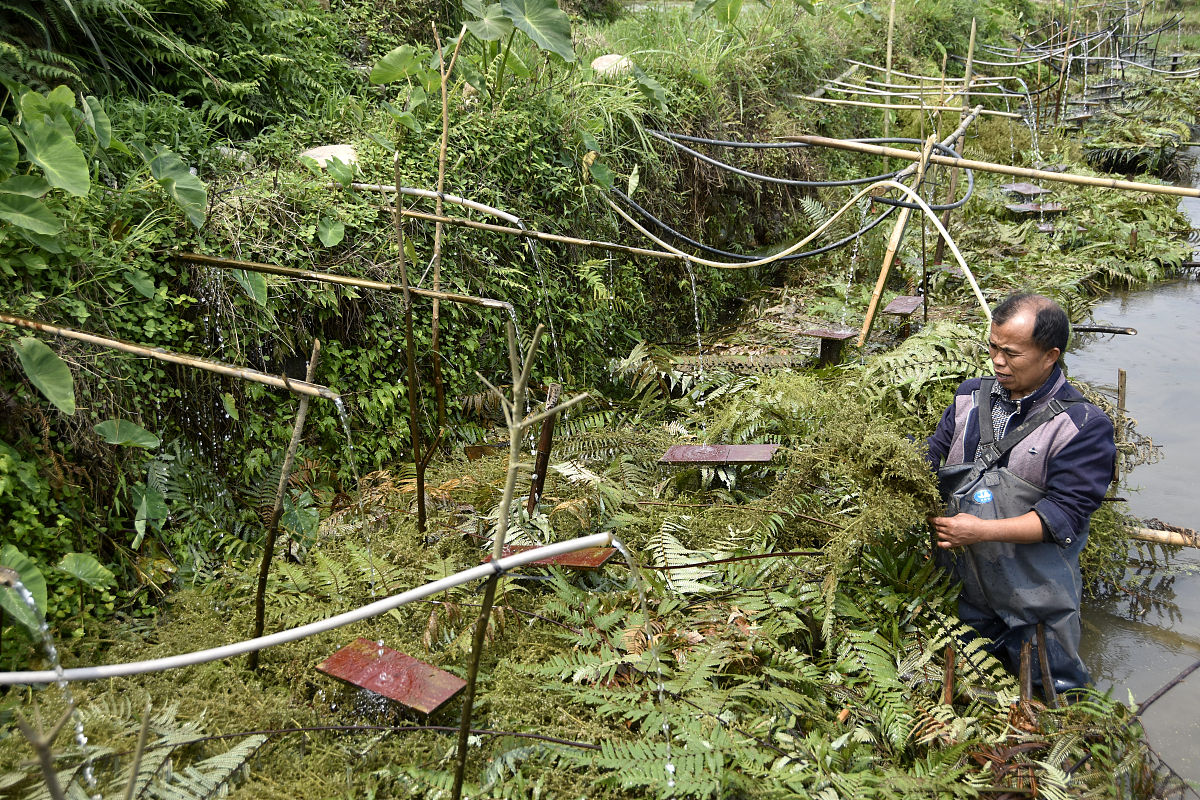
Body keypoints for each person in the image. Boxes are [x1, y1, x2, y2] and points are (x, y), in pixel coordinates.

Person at [925, 293, 1116, 695]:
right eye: (993, 347)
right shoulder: (968, 397)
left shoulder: (1081, 426)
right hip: (966, 592)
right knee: (967, 695)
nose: (997, 361)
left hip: (1036, 603)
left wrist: (980, 531)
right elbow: (931, 456)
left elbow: (1061, 518)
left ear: (1050, 356)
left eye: (1011, 353)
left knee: (1054, 701)